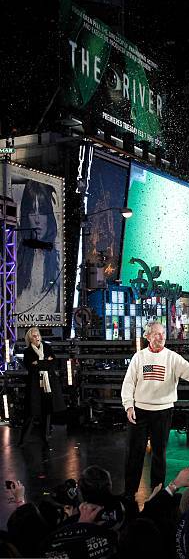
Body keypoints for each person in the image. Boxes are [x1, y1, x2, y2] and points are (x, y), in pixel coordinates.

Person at [121, 321, 189, 499]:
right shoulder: (139, 357)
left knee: (159, 453)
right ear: (148, 336)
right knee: (134, 453)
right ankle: (129, 493)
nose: (161, 337)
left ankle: (157, 492)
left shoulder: (172, 357)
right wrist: (128, 405)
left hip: (163, 411)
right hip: (140, 410)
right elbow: (128, 383)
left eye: (163, 333)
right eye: (157, 334)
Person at [16, 180, 61, 316]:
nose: (37, 219)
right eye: (31, 211)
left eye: (41, 211)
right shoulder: (17, 256)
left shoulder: (57, 259)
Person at [19, 327, 66, 446]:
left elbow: (53, 363)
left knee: (47, 411)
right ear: (30, 339)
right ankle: (23, 441)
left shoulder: (47, 347)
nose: (37, 337)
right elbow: (31, 367)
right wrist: (45, 361)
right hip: (35, 385)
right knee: (31, 413)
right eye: (34, 336)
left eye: (38, 335)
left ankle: (45, 439)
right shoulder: (27, 352)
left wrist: (39, 363)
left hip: (48, 384)